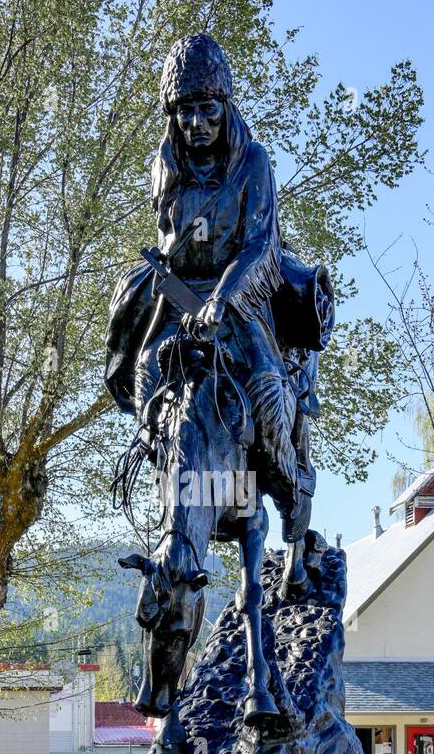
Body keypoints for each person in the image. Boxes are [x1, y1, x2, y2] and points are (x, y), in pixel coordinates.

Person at [105, 33, 333, 541]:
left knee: (267, 388)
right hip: (182, 292)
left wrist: (223, 299)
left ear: (223, 105)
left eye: (206, 108)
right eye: (184, 111)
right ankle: (174, 476)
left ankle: (293, 482)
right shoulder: (164, 166)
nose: (195, 122)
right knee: (146, 369)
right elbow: (170, 237)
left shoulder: (253, 161)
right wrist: (170, 271)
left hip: (240, 293)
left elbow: (259, 244)